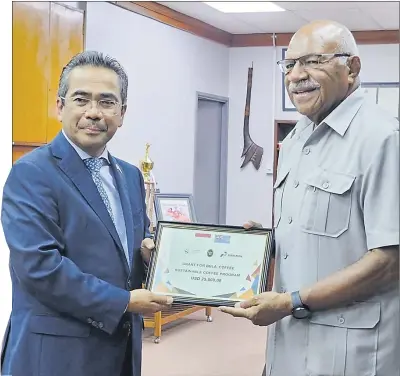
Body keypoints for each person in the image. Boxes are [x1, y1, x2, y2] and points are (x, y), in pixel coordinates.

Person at [220, 20, 399, 376]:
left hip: (352, 351)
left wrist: (292, 301)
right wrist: (266, 241)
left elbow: (390, 260)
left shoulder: (384, 139)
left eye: (313, 61)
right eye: (289, 64)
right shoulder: (296, 138)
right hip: (288, 344)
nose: (296, 75)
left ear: (352, 68)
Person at [1, 51, 173, 376]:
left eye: (107, 102)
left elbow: (133, 240)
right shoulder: (31, 173)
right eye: (81, 99)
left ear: (122, 113)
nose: (93, 113)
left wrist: (149, 251)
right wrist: (123, 302)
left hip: (120, 352)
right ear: (60, 106)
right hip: (56, 357)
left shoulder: (130, 175)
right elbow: (39, 268)